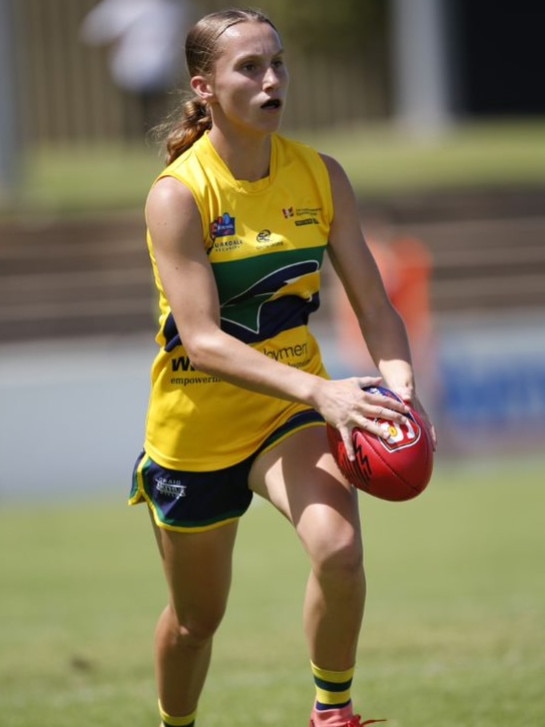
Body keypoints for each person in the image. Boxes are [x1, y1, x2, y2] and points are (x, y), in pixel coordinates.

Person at [129, 8, 435, 727]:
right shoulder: (178, 195)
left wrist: (397, 381)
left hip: (288, 410)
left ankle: (332, 712)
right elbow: (202, 341)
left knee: (338, 546)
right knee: (196, 621)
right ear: (203, 88)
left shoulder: (320, 175)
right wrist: (324, 390)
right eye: (249, 68)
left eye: (278, 64)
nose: (272, 80)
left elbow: (375, 304)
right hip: (195, 424)